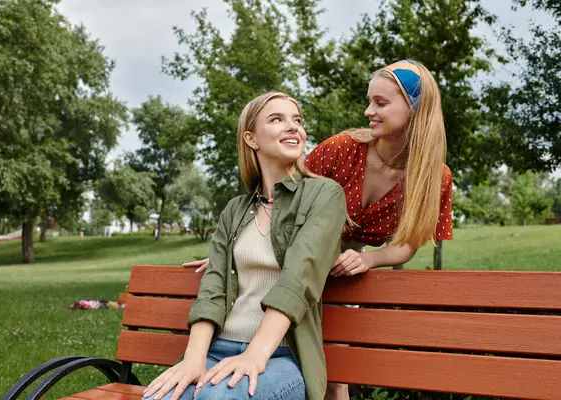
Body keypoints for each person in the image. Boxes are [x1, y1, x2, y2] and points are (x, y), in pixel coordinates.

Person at [183, 60, 454, 399]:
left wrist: (368, 260)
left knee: (335, 368)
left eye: (381, 103)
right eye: (369, 100)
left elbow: (410, 243)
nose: (369, 110)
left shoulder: (434, 176)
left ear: (415, 109)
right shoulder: (344, 148)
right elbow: (285, 192)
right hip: (298, 251)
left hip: (346, 268)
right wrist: (242, 251)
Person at [143, 91, 347, 400]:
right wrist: (194, 358)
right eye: (277, 119)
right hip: (217, 350)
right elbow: (214, 286)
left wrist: (255, 354)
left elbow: (299, 278)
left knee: (217, 399)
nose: (293, 127)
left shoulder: (324, 195)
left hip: (281, 356)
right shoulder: (234, 210)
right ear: (251, 139)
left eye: (297, 120)